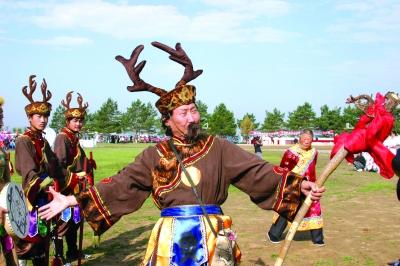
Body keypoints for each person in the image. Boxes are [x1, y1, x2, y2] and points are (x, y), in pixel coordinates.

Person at [39, 42, 325, 265]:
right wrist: (72, 199)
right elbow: (120, 184)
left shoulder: (218, 147)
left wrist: (299, 184)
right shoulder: (153, 155)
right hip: (171, 239)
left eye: (194, 110)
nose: (192, 118)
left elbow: (257, 171)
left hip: (213, 236)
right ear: (167, 120)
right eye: (184, 113)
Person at [15, 75, 69, 266]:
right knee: (32, 243)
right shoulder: (24, 140)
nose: (43, 120)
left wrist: (69, 179)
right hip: (34, 199)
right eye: (39, 116)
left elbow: (55, 166)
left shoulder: (42, 140)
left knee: (45, 243)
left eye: (46, 116)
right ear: (30, 118)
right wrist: (48, 182)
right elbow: (28, 173)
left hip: (47, 197)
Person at [52, 92, 93, 265]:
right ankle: (59, 257)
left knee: (74, 222)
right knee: (63, 223)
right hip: (66, 188)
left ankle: (73, 252)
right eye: (75, 121)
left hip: (77, 187)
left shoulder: (73, 138)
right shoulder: (63, 138)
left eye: (80, 120)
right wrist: (75, 177)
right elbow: (59, 166)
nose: (78, 123)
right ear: (67, 122)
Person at [268, 129, 325, 246]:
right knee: (287, 209)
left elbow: (313, 166)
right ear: (299, 139)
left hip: (310, 185)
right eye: (304, 139)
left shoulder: (314, 152)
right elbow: (284, 169)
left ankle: (317, 237)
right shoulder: (291, 152)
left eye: (309, 139)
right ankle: (274, 234)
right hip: (293, 184)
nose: (306, 141)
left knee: (314, 209)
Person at [0, 96, 18, 266]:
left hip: (4, 209)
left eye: (1, 116)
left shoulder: (2, 148)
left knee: (10, 253)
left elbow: (7, 181)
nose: (0, 119)